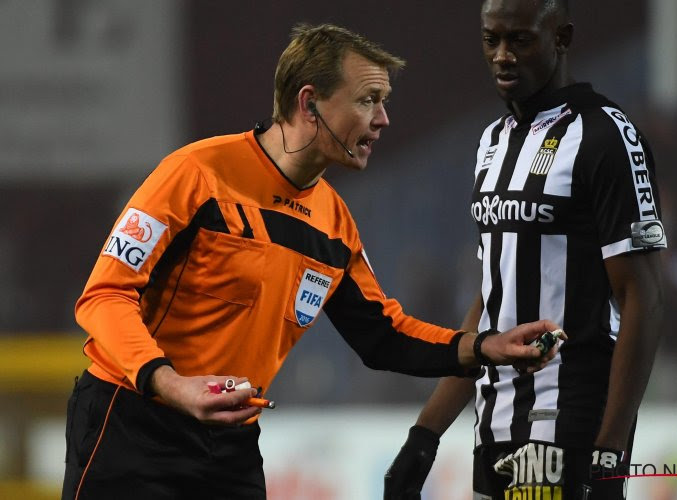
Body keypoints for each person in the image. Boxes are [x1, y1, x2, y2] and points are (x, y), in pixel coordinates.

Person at [62, 23, 563, 500]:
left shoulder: (333, 223)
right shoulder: (194, 174)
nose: (383, 119)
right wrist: (171, 384)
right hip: (131, 421)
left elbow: (383, 335)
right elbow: (105, 295)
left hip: (230, 441)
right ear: (309, 103)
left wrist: (485, 346)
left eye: (383, 102)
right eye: (368, 100)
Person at [384, 0, 666, 498]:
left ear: (562, 37)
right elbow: (494, 296)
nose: (502, 56)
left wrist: (610, 452)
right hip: (492, 423)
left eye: (520, 39)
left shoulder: (606, 135)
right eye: (491, 40)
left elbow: (643, 297)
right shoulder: (492, 141)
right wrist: (425, 434)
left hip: (571, 420)